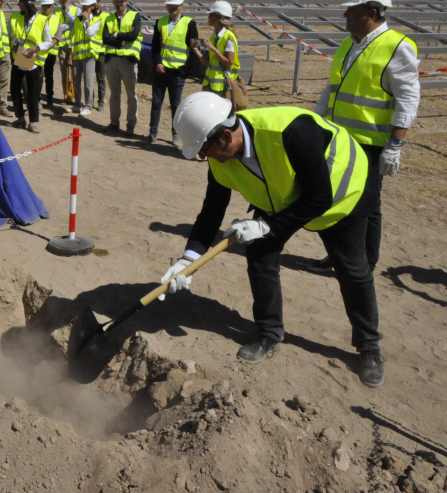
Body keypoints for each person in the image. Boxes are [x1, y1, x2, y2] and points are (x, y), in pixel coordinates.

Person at [164, 92, 385, 387]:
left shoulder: (291, 132)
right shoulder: (221, 160)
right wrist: (188, 259)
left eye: (206, 151)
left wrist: (267, 225)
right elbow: (210, 213)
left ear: (225, 137)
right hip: (284, 197)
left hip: (344, 194)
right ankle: (269, 334)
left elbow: (319, 198)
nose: (206, 158)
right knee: (259, 256)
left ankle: (369, 346)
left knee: (352, 269)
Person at [309, 0, 421, 275]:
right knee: (337, 199)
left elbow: (408, 98)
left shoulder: (397, 46)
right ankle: (339, 256)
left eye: (351, 10)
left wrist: (395, 145)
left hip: (371, 143)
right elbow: (332, 88)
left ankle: (364, 263)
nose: (345, 15)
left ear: (371, 12)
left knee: (367, 205)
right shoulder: (348, 44)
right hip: (340, 139)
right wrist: (315, 122)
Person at [147, 0, 198, 147]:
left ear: (181, 6)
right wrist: (157, 62)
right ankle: (152, 133)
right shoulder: (160, 22)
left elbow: (195, 50)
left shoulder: (189, 23)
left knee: (176, 105)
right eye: (170, 5)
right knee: (156, 102)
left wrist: (185, 69)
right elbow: (155, 47)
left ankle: (176, 135)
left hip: (177, 73)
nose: (172, 8)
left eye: (175, 5)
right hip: (161, 71)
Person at [8, 0, 55, 133]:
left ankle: (33, 122)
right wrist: (14, 45)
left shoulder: (41, 19)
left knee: (33, 93)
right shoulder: (16, 17)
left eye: (20, 1)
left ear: (27, 2)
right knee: (15, 90)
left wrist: (36, 48)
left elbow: (49, 42)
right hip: (19, 58)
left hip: (33, 62)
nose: (18, 4)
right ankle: (20, 119)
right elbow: (11, 36)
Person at [102, 0, 142, 134]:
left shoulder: (135, 16)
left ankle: (131, 125)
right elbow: (105, 38)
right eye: (117, 1)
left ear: (126, 1)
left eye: (122, 1)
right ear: (113, 2)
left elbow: (134, 36)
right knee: (114, 94)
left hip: (128, 61)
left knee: (131, 95)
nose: (119, 3)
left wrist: (116, 35)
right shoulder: (109, 18)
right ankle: (114, 122)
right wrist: (123, 38)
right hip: (112, 60)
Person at [192, 1, 240, 100]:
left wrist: (214, 50)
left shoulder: (228, 37)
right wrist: (196, 50)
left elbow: (229, 63)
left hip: (222, 87)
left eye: (210, 15)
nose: (208, 18)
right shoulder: (214, 37)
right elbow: (209, 64)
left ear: (217, 18)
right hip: (211, 84)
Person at [68, 0, 101, 117]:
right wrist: (70, 56)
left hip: (89, 55)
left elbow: (90, 33)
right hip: (77, 55)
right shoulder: (77, 20)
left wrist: (87, 20)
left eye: (86, 7)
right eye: (83, 6)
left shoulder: (96, 20)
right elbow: (73, 38)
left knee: (88, 82)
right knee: (76, 81)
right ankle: (77, 104)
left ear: (92, 7)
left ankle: (88, 105)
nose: (84, 9)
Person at [53, 0, 78, 103]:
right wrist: (69, 25)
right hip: (62, 46)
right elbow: (57, 27)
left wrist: (68, 13)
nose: (63, 2)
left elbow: (76, 24)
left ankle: (76, 95)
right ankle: (66, 95)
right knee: (64, 72)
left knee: (75, 72)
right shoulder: (57, 13)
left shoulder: (76, 11)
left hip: (73, 46)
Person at [38, 0, 61, 107]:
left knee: (49, 75)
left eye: (48, 6)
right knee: (38, 76)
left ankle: (49, 98)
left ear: (52, 6)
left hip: (51, 52)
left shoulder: (57, 19)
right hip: (40, 52)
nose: (46, 8)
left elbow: (58, 36)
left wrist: (49, 45)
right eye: (44, 6)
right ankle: (37, 98)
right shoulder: (38, 18)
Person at [89, 0, 108, 111]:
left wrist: (104, 41)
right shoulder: (87, 16)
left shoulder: (106, 17)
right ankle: (90, 100)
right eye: (93, 2)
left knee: (100, 77)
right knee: (89, 78)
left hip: (101, 51)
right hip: (90, 51)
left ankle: (101, 101)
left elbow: (109, 33)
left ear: (100, 2)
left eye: (97, 2)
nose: (95, 4)